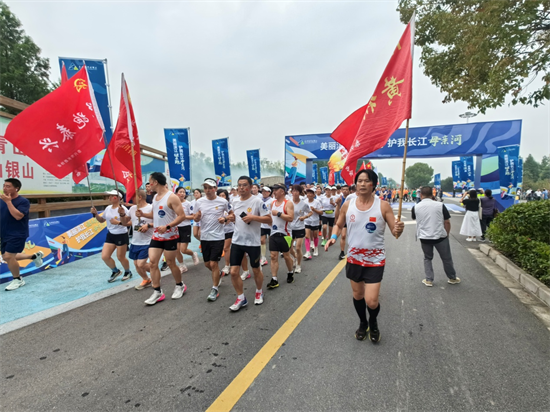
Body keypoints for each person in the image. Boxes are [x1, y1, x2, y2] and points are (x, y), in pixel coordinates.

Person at [325, 169, 404, 344]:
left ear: (373, 184)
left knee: (372, 300)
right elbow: (338, 224)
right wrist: (332, 238)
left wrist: (399, 228)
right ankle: (363, 323)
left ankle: (373, 321)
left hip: (375, 260)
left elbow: (394, 232)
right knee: (358, 295)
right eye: (359, 181)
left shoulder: (383, 206)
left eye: (366, 181)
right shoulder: (348, 204)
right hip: (354, 259)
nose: (361, 184)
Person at [136, 172, 187, 305]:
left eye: (149, 182)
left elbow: (181, 216)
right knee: (153, 263)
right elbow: (154, 214)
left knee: (171, 263)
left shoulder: (172, 197)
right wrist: (143, 214)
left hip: (170, 236)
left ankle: (179, 285)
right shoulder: (155, 197)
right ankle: (157, 291)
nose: (148, 185)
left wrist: (168, 226)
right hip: (156, 236)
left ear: (155, 182)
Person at [228, 176, 272, 311]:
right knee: (234, 272)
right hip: (237, 241)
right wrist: (229, 218)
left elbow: (269, 219)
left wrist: (253, 217)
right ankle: (241, 298)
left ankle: (259, 291)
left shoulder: (257, 202)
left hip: (253, 242)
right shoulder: (234, 202)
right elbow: (234, 217)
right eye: (239, 185)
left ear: (251, 186)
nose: (241, 188)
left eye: (244, 185)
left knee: (256, 269)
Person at [411, 187, 461, 287]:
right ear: (433, 195)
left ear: (420, 195)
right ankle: (452, 278)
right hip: (440, 237)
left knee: (427, 258)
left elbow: (414, 218)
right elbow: (447, 221)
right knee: (446, 258)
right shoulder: (440, 205)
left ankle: (429, 279)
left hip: (424, 238)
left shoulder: (415, 207)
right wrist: (446, 234)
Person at [1, 178, 43, 291]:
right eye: (4, 186)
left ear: (16, 188)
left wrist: (8, 202)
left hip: (17, 233)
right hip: (4, 233)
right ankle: (34, 256)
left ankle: (18, 279)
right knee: (6, 256)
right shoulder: (1, 200)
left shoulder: (23, 201)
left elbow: (18, 216)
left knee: (9, 256)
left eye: (8, 186)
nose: (5, 188)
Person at [195, 178, 233, 302]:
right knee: (207, 264)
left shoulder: (222, 201)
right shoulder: (199, 201)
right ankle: (219, 273)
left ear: (215, 189)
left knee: (213, 263)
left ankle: (214, 288)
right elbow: (195, 218)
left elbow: (232, 215)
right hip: (204, 237)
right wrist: (197, 217)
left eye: (210, 188)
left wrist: (225, 219)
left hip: (218, 237)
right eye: (205, 188)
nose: (207, 190)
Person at [91, 189, 132, 283]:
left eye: (111, 195)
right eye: (109, 195)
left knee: (120, 257)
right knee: (105, 256)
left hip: (121, 235)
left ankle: (128, 272)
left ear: (118, 198)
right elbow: (101, 220)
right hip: (111, 235)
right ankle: (115, 271)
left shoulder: (123, 209)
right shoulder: (108, 208)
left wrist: (118, 222)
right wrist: (96, 214)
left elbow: (129, 223)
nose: (109, 197)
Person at [217, 188, 250, 280]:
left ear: (227, 197)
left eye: (223, 195)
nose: (221, 197)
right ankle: (232, 267)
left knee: (227, 248)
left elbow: (237, 216)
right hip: (220, 232)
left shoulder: (231, 206)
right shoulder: (216, 206)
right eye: (220, 196)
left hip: (232, 230)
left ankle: (231, 267)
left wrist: (228, 219)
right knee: (227, 249)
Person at [267, 184, 295, 288]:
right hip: (273, 233)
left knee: (286, 256)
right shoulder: (272, 203)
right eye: (273, 190)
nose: (273, 192)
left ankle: (290, 272)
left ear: (282, 191)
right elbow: (271, 216)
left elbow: (291, 218)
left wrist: (278, 214)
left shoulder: (288, 203)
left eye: (275, 190)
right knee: (273, 256)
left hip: (285, 234)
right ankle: (274, 279)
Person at [127, 190, 154, 290]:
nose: (131, 199)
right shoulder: (132, 208)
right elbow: (127, 222)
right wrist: (121, 215)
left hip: (147, 241)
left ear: (139, 197)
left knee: (141, 263)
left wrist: (148, 225)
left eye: (133, 196)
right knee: (136, 264)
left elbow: (160, 223)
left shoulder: (151, 208)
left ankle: (155, 273)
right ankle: (146, 279)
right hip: (135, 241)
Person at [174, 187, 200, 272]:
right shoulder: (173, 204)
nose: (182, 194)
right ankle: (182, 266)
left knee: (183, 250)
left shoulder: (188, 204)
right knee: (176, 250)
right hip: (176, 228)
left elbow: (193, 216)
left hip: (185, 227)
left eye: (183, 192)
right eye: (180, 192)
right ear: (176, 193)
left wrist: (183, 217)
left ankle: (193, 254)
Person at [289, 184, 312, 273]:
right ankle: (295, 257)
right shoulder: (288, 202)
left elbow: (310, 212)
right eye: (293, 191)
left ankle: (298, 265)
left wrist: (304, 217)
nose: (294, 193)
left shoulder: (303, 204)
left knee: (298, 248)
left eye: (296, 191)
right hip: (290, 228)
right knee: (289, 249)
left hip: (300, 227)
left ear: (300, 192)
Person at [303, 188, 322, 259]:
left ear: (314, 195)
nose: (309, 194)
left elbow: (321, 212)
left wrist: (314, 210)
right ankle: (307, 252)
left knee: (315, 236)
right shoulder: (304, 202)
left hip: (315, 221)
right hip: (307, 221)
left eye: (311, 193)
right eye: (308, 193)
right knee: (307, 236)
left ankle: (316, 248)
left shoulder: (317, 202)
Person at [334, 184, 350, 260]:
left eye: (347, 189)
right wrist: (338, 205)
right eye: (343, 189)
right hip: (343, 220)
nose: (345, 191)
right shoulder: (339, 199)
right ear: (341, 190)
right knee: (343, 235)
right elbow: (337, 213)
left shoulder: (352, 199)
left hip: (352, 220)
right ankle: (342, 252)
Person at [259, 186, 274, 266]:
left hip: (270, 224)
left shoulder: (272, 201)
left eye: (266, 192)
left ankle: (273, 255)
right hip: (262, 224)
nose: (264, 193)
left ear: (269, 193)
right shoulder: (259, 201)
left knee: (272, 241)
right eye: (263, 191)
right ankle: (263, 258)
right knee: (262, 240)